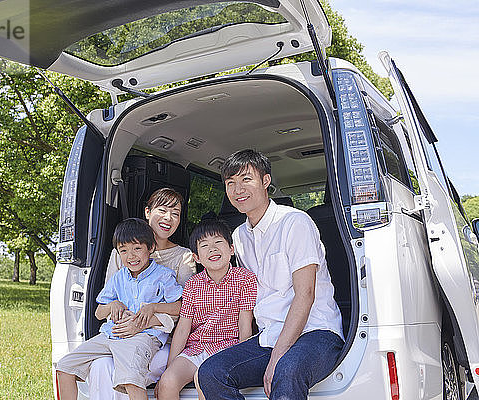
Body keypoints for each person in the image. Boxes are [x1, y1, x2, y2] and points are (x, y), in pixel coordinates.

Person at [197, 149, 344, 400]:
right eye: (230, 183)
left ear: (265, 181)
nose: (237, 189)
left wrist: (277, 356)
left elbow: (305, 294)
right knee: (210, 372)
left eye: (246, 179)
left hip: (316, 332)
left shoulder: (295, 222)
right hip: (270, 335)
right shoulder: (239, 237)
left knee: (286, 370)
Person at [56, 218, 183, 400]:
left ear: (151, 248)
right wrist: (112, 305)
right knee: (64, 366)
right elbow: (98, 313)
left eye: (137, 248)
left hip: (141, 337)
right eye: (124, 251)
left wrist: (153, 307)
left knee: (131, 380)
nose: (131, 256)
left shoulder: (163, 276)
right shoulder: (118, 278)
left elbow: (179, 307)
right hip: (110, 335)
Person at [88, 188, 197, 400]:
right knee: (100, 366)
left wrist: (146, 320)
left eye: (175, 213)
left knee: (130, 371)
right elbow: (109, 302)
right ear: (147, 212)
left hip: (159, 339)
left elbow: (185, 308)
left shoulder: (182, 257)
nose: (168, 218)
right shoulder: (120, 253)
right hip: (121, 333)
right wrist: (123, 319)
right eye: (162, 210)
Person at [156, 218, 257, 400]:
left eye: (218, 242)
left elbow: (245, 324)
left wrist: (242, 358)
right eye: (204, 246)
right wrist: (169, 368)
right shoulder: (193, 284)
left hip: (228, 348)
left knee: (205, 378)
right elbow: (183, 329)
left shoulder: (245, 279)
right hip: (196, 348)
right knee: (168, 381)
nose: (212, 249)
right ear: (196, 257)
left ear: (231, 249)